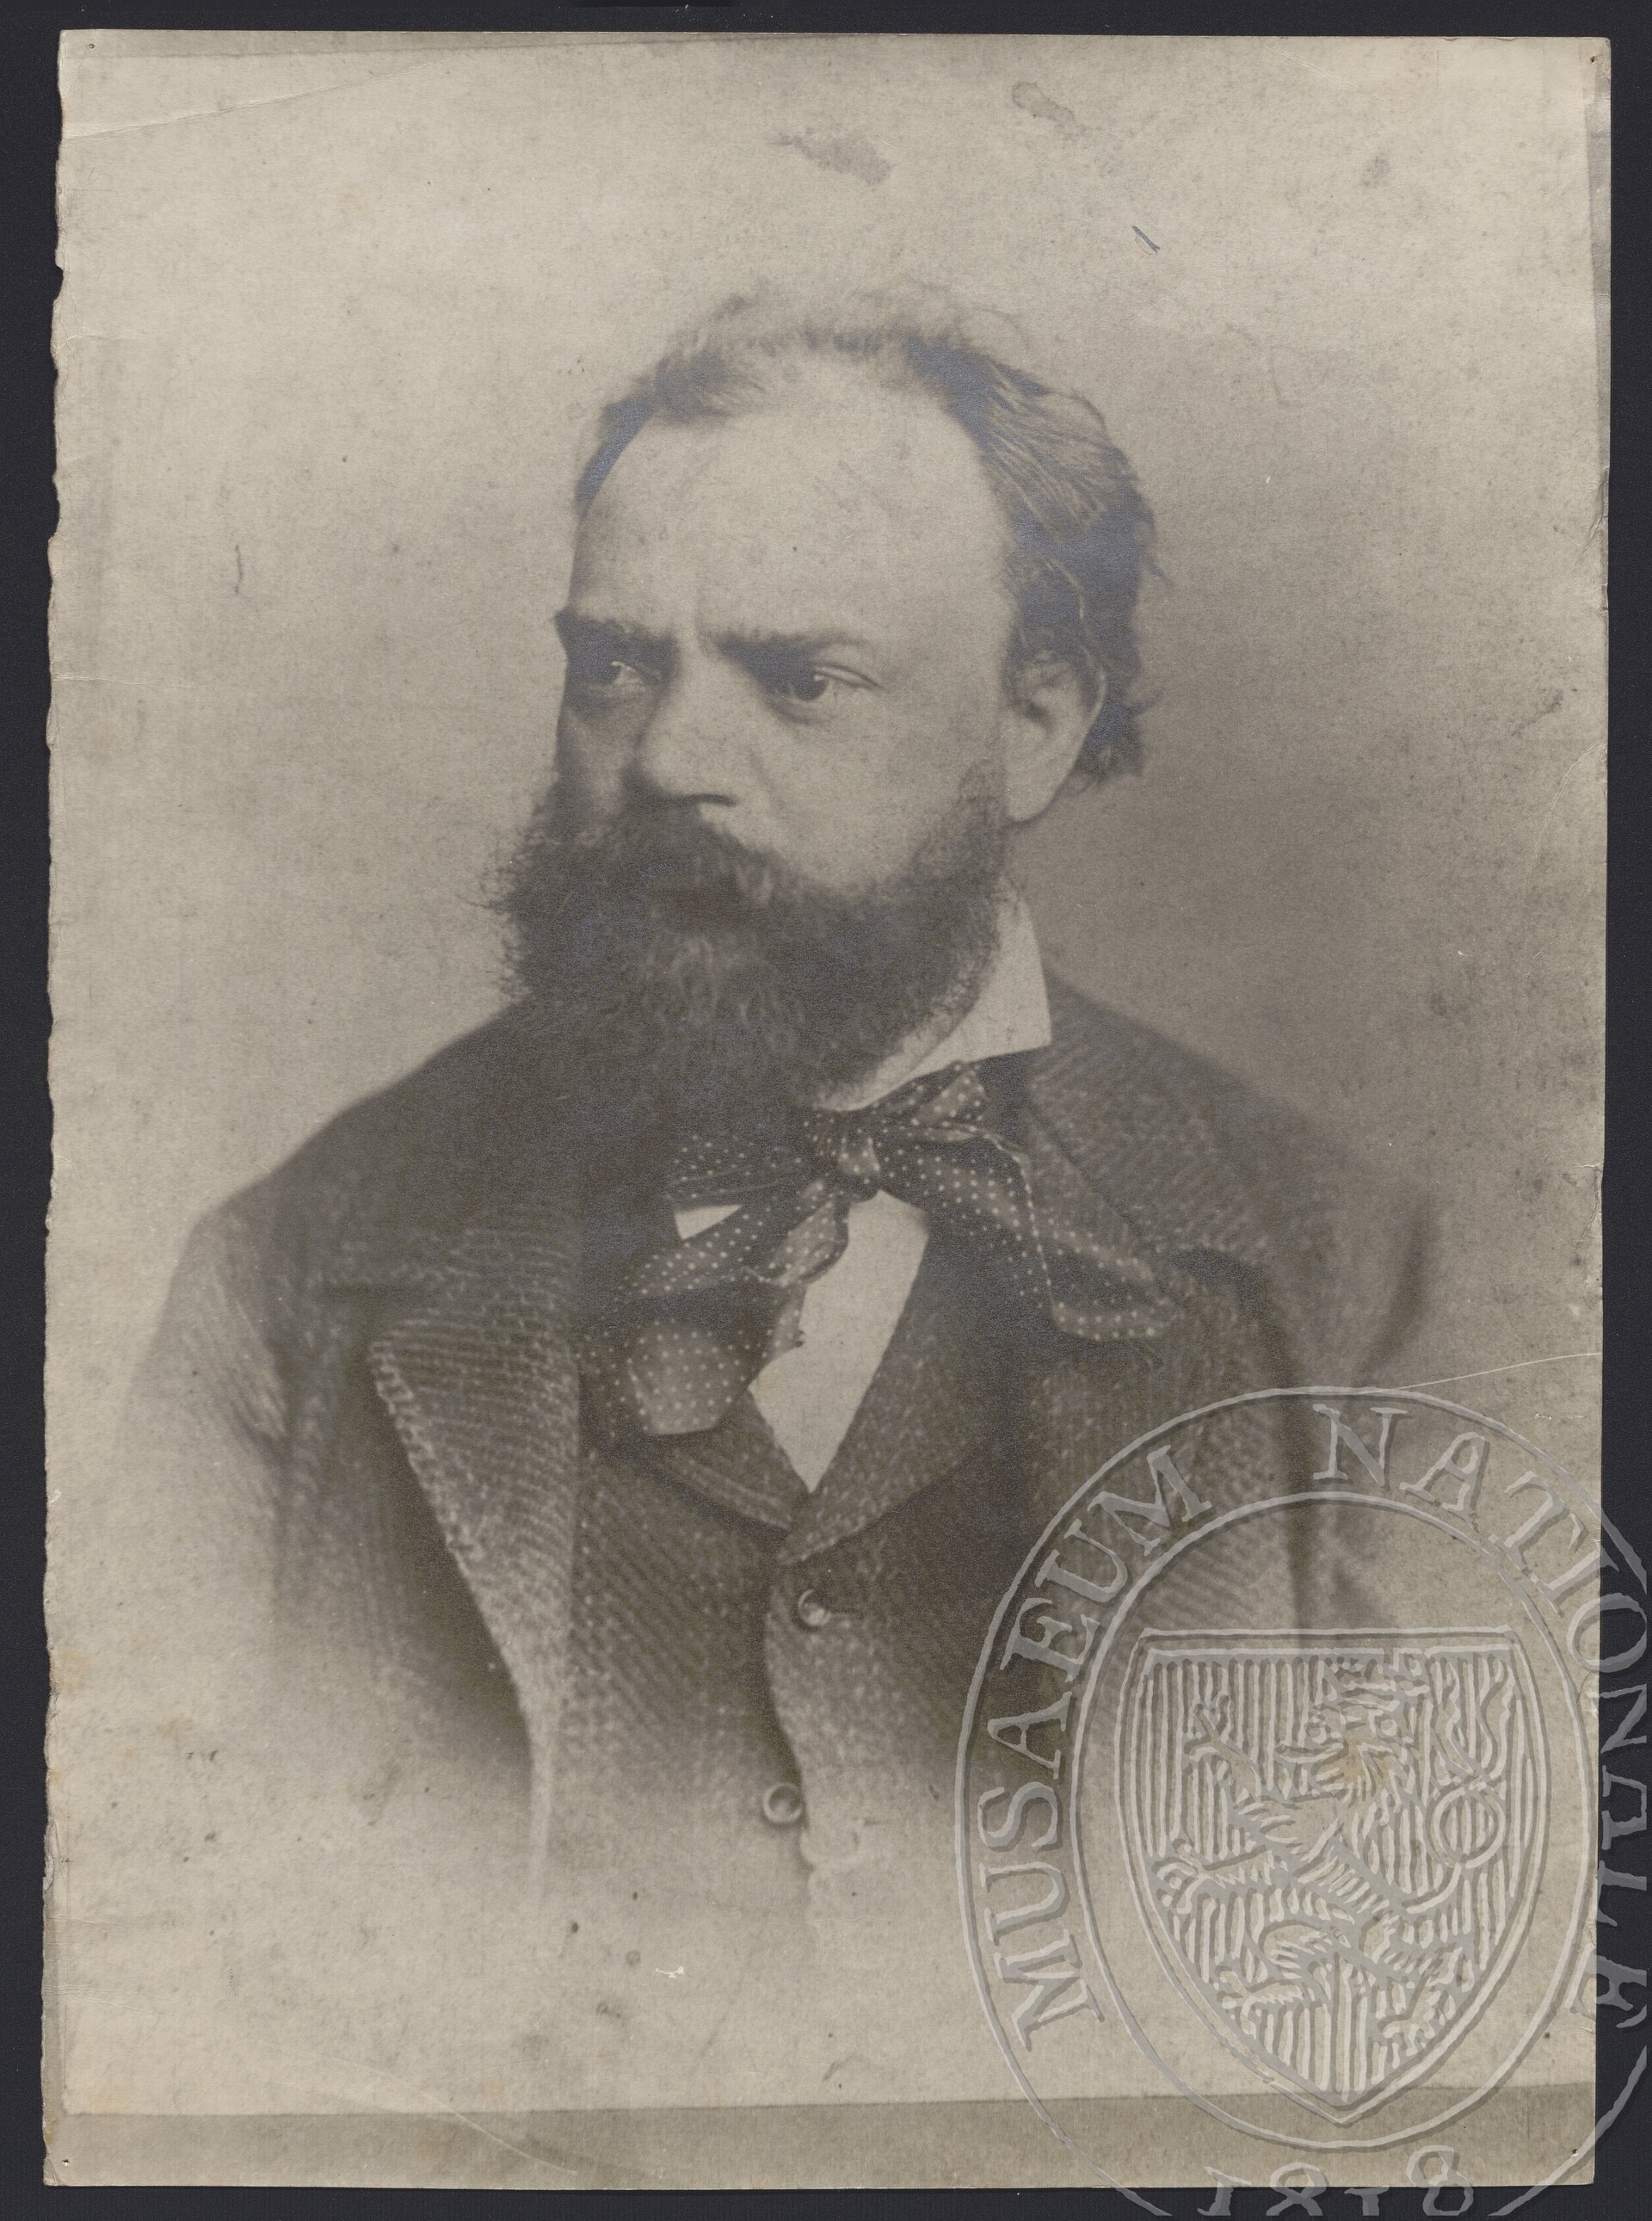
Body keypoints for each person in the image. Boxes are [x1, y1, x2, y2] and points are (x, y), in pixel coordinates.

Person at [123, 287, 1431, 2100]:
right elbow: (161, 1988)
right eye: (614, 667)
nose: (668, 760)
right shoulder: (286, 1278)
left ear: (1037, 719)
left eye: (800, 679)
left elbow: (1430, 1997)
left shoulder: (1351, 1268)